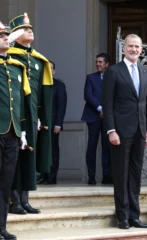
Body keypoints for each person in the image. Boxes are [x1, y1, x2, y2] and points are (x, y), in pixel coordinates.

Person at [102, 34, 147, 229]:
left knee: (135, 175)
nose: (134, 49)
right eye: (130, 46)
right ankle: (122, 217)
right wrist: (111, 130)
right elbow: (107, 103)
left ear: (141, 49)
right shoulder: (114, 71)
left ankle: (134, 216)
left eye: (137, 47)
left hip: (140, 131)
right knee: (121, 175)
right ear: (124, 48)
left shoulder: (145, 71)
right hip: (120, 132)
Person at [8, 12, 53, 215]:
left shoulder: (37, 60)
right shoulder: (9, 56)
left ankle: (25, 198)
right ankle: (13, 200)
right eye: (25, 29)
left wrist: (41, 117)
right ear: (15, 35)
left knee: (29, 158)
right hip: (15, 116)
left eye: (31, 29)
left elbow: (41, 92)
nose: (30, 31)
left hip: (32, 115)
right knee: (14, 160)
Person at [0, 21, 31, 240]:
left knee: (5, 183)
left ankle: (1, 227)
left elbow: (18, 101)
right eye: (1, 35)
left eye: (5, 36)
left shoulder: (16, 66)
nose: (4, 38)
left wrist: (22, 132)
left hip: (12, 132)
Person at [81, 53, 111, 185]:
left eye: (101, 62)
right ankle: (91, 176)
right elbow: (87, 95)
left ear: (107, 64)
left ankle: (106, 176)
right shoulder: (91, 78)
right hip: (93, 116)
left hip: (108, 117)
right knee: (91, 147)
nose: (98, 64)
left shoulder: (112, 77)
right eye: (97, 62)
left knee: (107, 147)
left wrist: (107, 110)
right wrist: (100, 108)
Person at [39, 60, 67, 184]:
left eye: (50, 68)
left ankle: (52, 176)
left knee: (53, 151)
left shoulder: (59, 85)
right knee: (42, 149)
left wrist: (58, 124)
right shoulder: (39, 85)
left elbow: (61, 106)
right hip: (40, 124)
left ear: (54, 71)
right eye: (46, 68)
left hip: (53, 124)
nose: (48, 70)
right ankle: (43, 175)